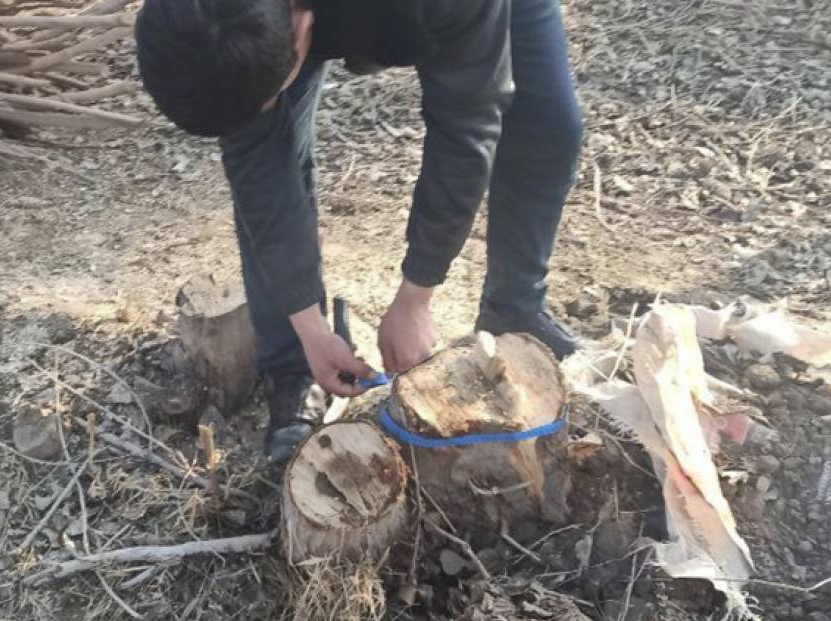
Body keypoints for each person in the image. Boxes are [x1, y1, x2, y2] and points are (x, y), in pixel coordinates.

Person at [135, 0, 583, 462]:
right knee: (267, 154)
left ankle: (514, 313)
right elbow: (259, 167)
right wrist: (310, 328)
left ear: (298, 28)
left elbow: (467, 123)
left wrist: (416, 295)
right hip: (277, 26)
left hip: (457, 10)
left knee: (547, 124)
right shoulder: (211, 18)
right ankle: (294, 369)